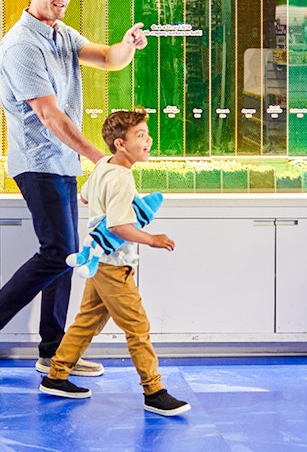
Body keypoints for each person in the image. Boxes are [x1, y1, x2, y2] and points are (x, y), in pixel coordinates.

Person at [0, 0, 147, 379]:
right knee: (57, 253)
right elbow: (50, 116)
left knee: (65, 255)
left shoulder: (61, 35)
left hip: (62, 163)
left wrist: (128, 44)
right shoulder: (22, 46)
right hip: (37, 162)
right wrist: (98, 157)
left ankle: (53, 351)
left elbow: (107, 58)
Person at [38, 110, 190, 416]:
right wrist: (153, 238)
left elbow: (83, 197)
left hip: (98, 260)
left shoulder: (103, 166)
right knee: (138, 327)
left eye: (147, 134)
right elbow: (119, 226)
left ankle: (56, 375)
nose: (148, 140)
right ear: (121, 144)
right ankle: (154, 390)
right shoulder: (121, 177)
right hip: (114, 265)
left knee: (86, 323)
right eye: (140, 136)